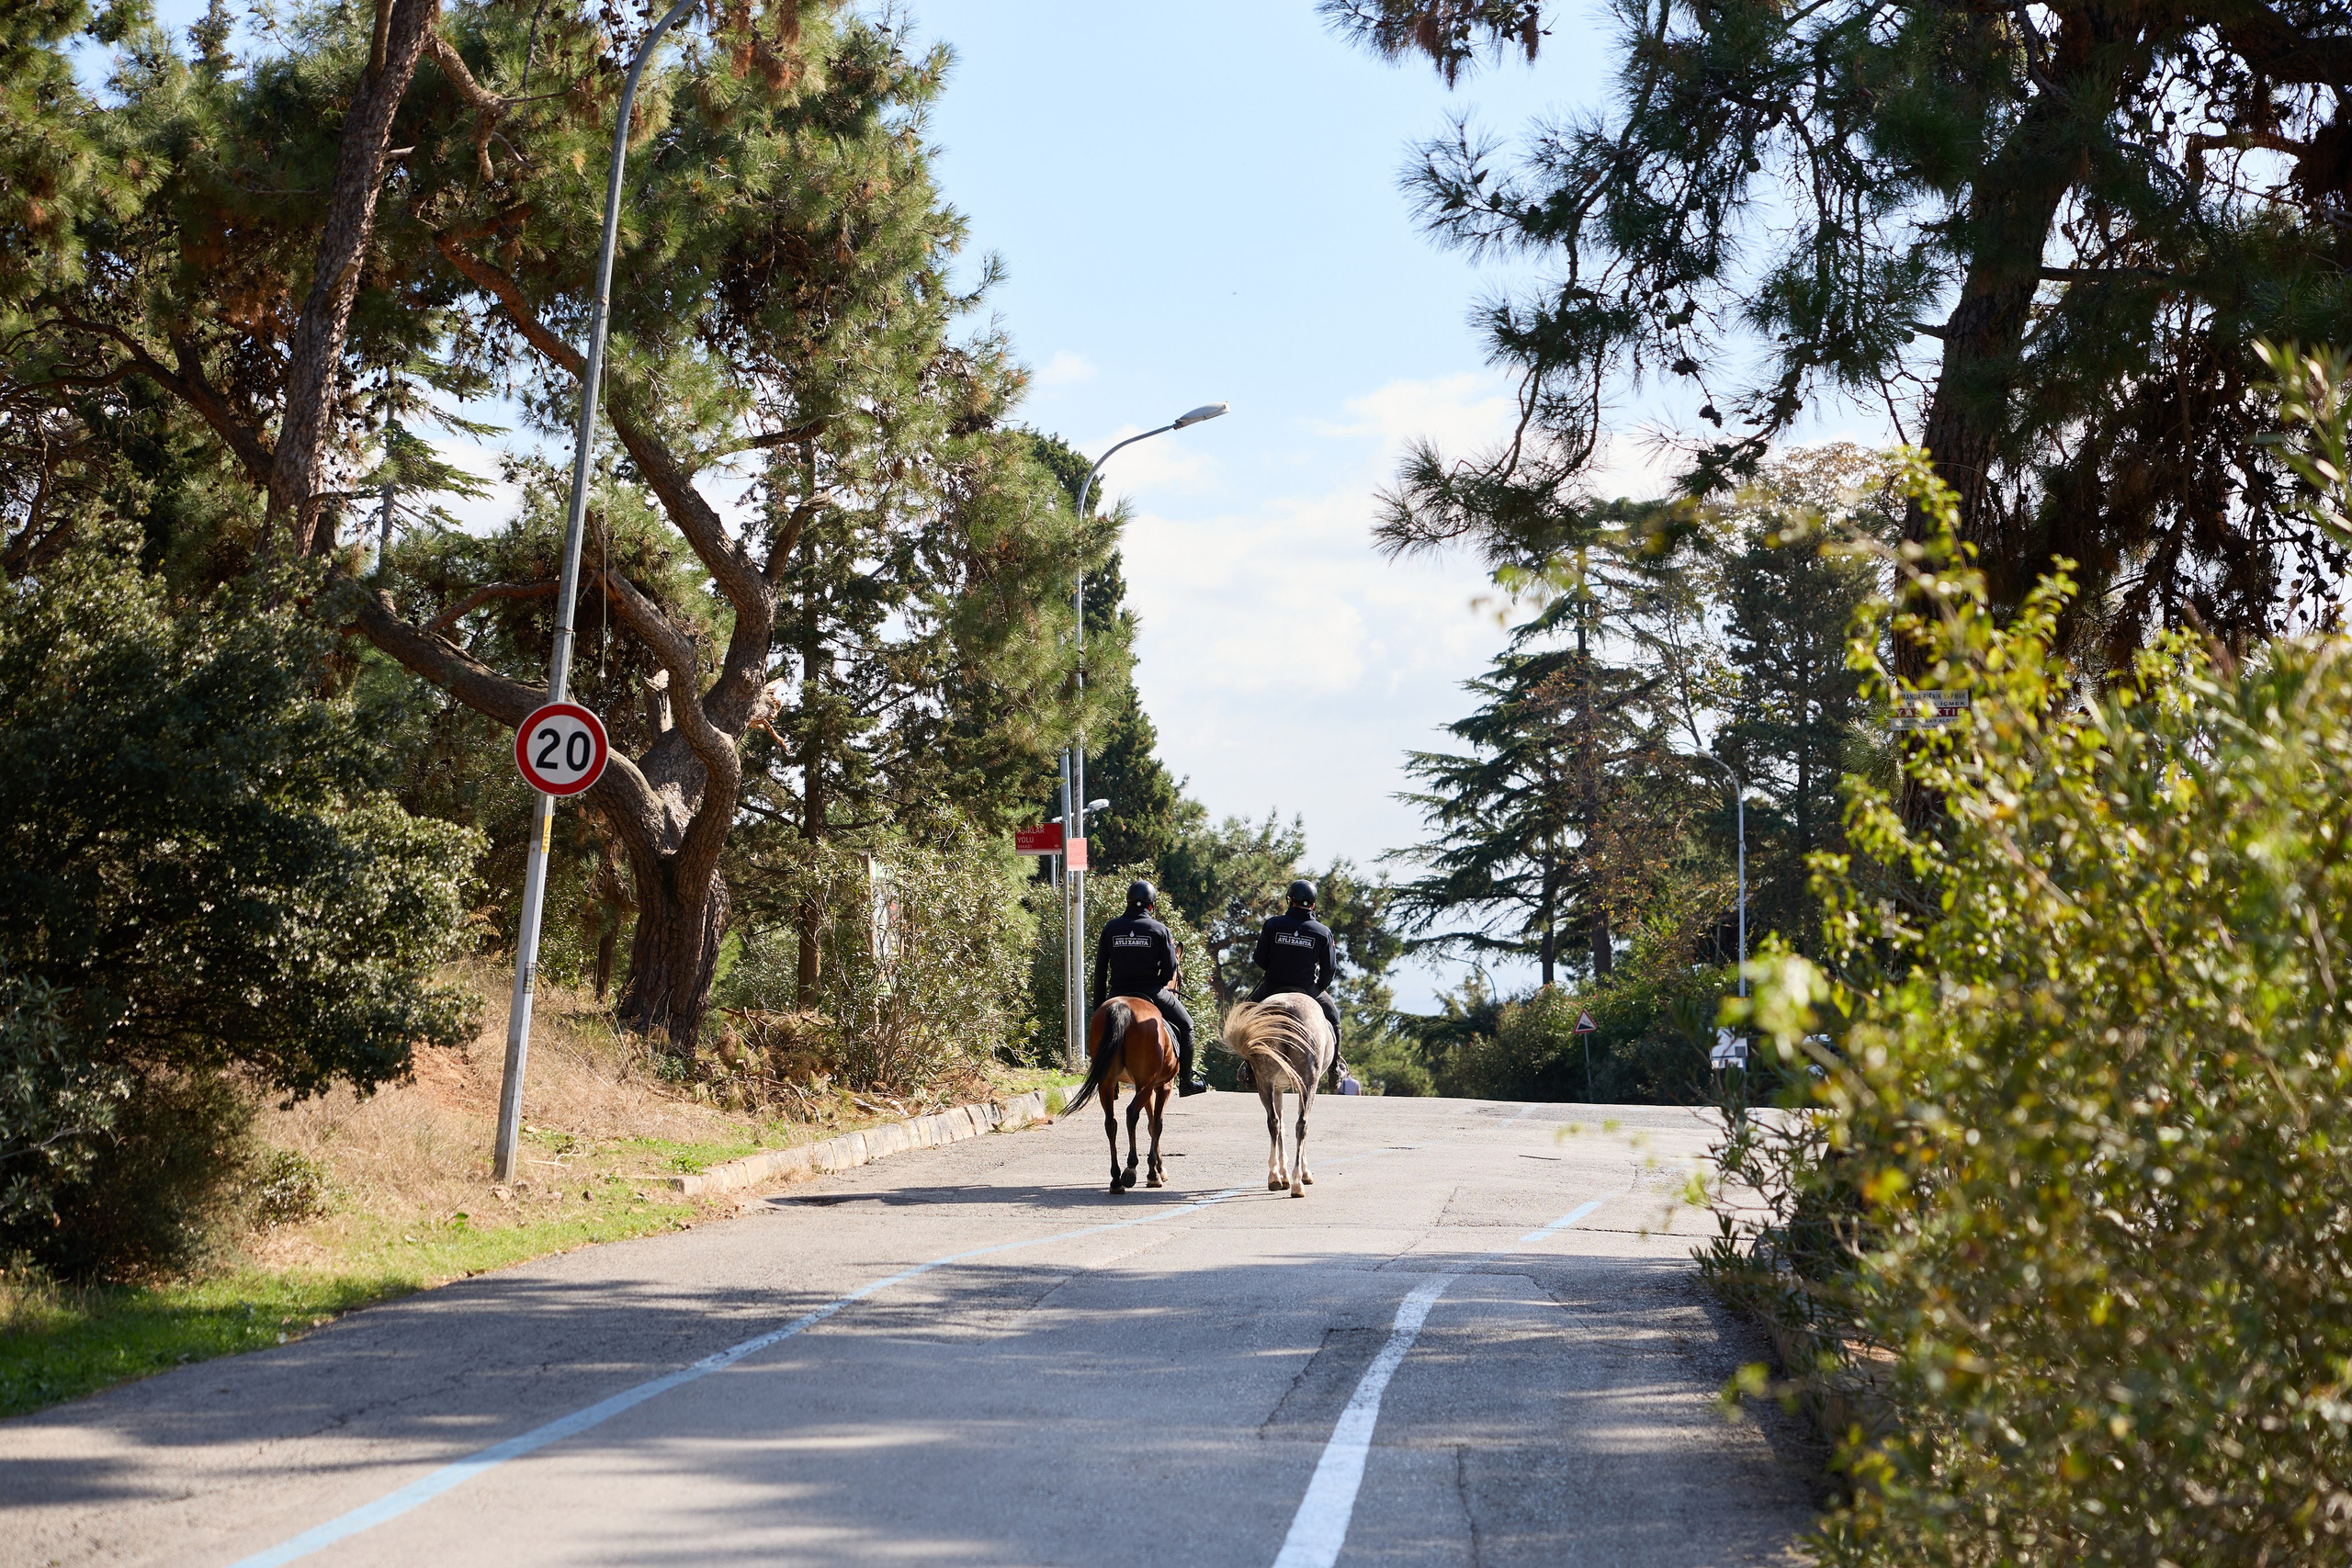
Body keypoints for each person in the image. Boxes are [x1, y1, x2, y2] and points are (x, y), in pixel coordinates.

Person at [1092, 879, 1207, 1096]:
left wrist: (1098, 1007)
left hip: (1117, 993)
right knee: (1187, 1026)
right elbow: (1170, 968)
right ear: (1151, 906)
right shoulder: (1159, 929)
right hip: (1152, 991)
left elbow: (1100, 971)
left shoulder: (1111, 928)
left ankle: (1108, 1076)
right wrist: (1159, 983)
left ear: (1127, 902)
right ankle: (1186, 1082)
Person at [1248, 879, 1346, 1083]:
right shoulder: (1322, 932)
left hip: (1272, 986)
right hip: (1307, 988)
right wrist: (1318, 988)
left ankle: (1248, 1068)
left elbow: (1259, 959)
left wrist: (1274, 970)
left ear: (1289, 900)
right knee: (1334, 1018)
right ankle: (1334, 1069)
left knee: (1246, 1012)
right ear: (1313, 904)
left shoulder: (1273, 924)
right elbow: (1329, 970)